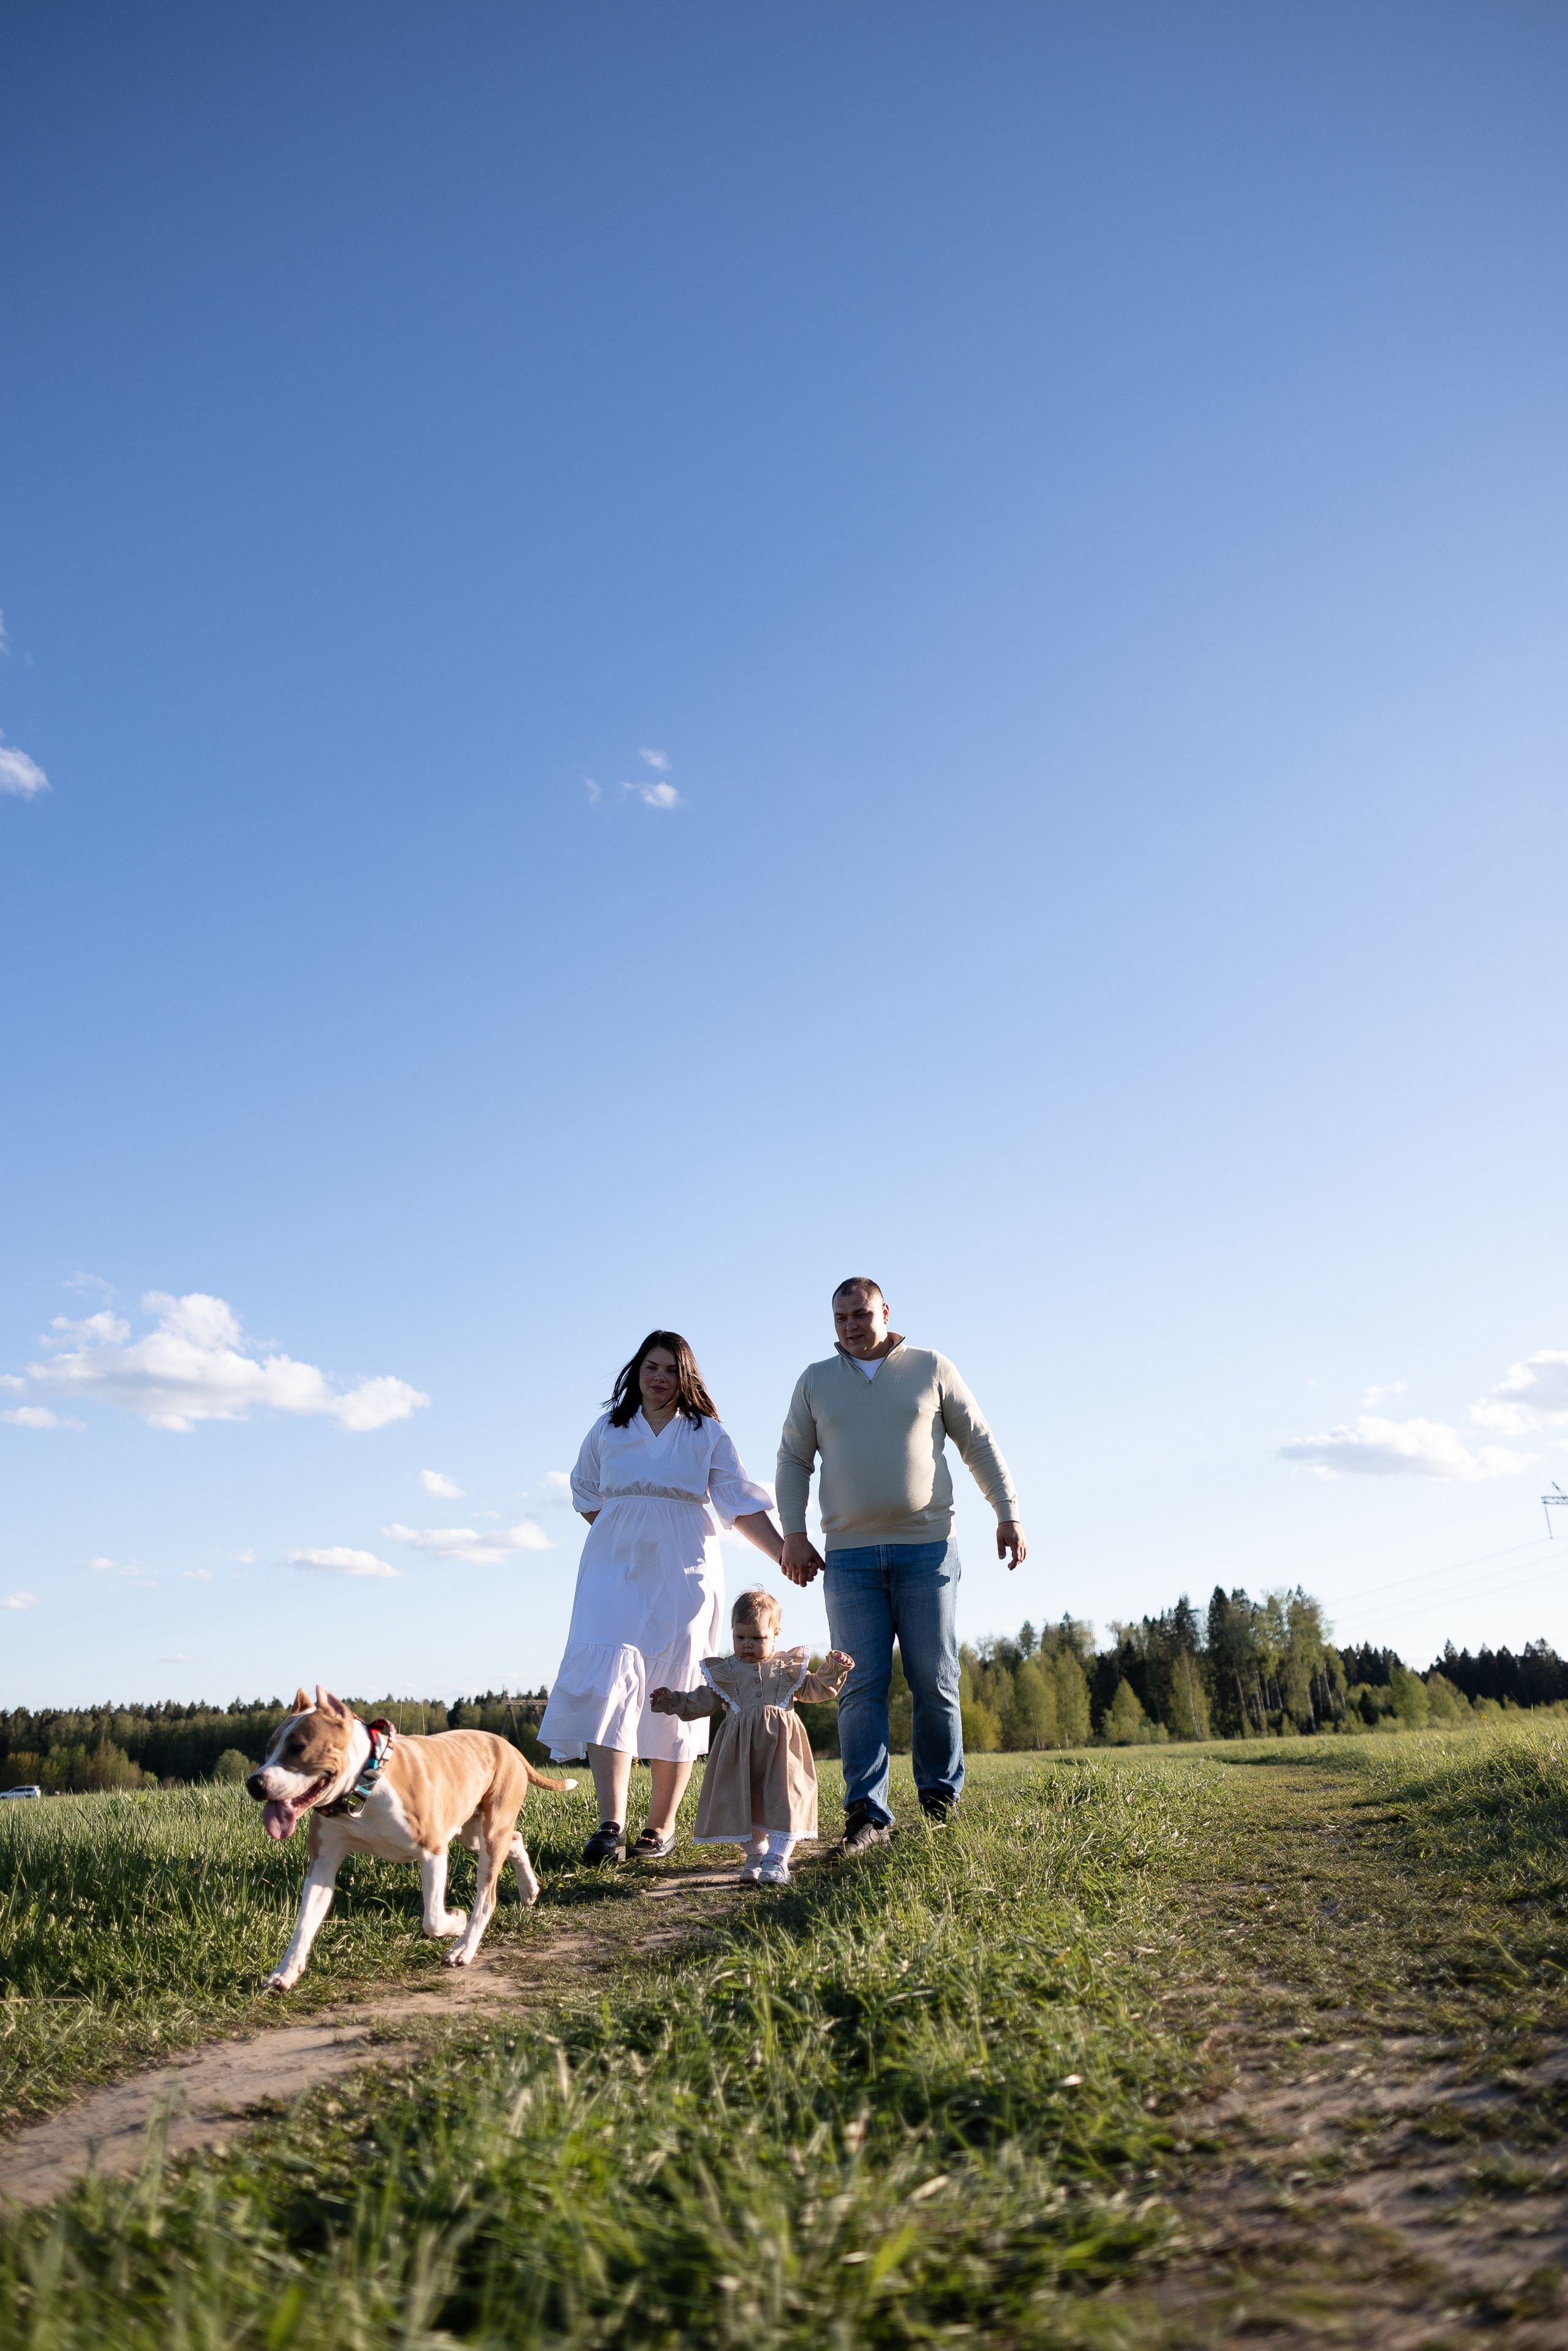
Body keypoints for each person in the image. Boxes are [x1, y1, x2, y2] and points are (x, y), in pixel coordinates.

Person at [775, 1278, 1026, 1852]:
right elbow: (793, 1459)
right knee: (859, 1681)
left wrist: (1007, 1511)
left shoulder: (931, 1367)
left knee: (934, 1677)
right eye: (840, 1318)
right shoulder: (815, 1382)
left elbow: (978, 1442)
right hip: (849, 1557)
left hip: (928, 1547)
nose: (850, 1327)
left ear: (885, 1312)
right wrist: (793, 1532)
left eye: (860, 1315)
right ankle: (868, 1814)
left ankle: (941, 1803)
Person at [540, 1330, 788, 1865]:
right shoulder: (609, 1429)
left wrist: (784, 1553)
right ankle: (611, 1825)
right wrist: (624, 1529)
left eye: (672, 1370)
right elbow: (586, 1492)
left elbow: (739, 1505)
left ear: (686, 1378)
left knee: (673, 1687)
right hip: (613, 1570)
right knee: (609, 1682)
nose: (659, 1378)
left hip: (685, 1572)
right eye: (651, 1367)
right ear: (637, 1371)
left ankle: (660, 1826)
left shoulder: (706, 1434)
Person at [651, 1588, 853, 1884]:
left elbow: (814, 1690)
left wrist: (833, 1669)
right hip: (740, 1753)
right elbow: (702, 1701)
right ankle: (757, 1854)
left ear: (775, 1634)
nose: (747, 1645)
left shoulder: (786, 1668)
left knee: (786, 1799)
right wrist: (672, 1700)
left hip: (783, 1751)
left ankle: (778, 1858)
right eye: (740, 1638)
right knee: (744, 1800)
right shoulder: (726, 1672)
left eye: (757, 1638)